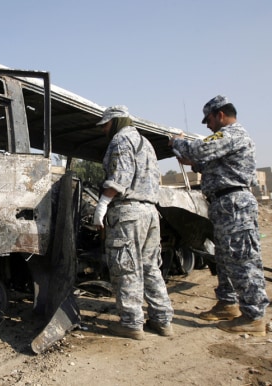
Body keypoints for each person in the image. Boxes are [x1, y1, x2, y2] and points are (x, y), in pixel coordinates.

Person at [169, 95, 269, 336]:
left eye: (209, 120)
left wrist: (178, 142)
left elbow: (201, 148)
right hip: (223, 205)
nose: (208, 125)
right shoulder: (228, 140)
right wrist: (193, 163)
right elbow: (208, 164)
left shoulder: (232, 134)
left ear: (220, 115)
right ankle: (228, 304)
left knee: (242, 259)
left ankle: (254, 317)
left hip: (234, 205)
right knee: (224, 259)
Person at [93, 105, 174, 340]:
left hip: (128, 213)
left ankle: (131, 323)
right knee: (150, 268)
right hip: (150, 212)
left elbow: (120, 177)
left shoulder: (120, 140)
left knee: (126, 267)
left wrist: (102, 205)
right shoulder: (145, 143)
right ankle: (162, 320)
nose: (104, 130)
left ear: (117, 122)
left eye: (106, 125)